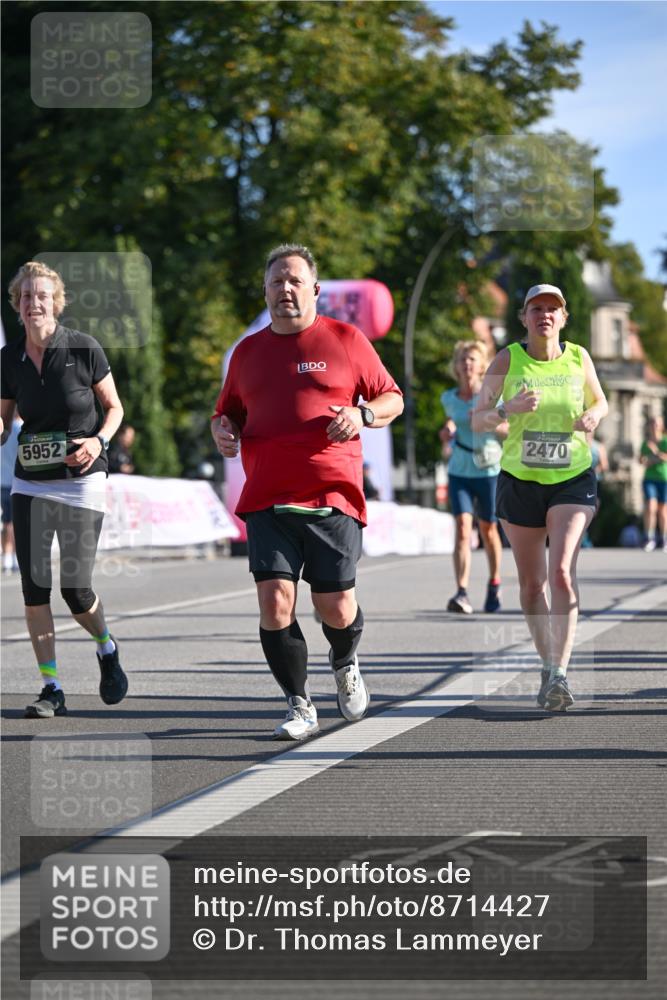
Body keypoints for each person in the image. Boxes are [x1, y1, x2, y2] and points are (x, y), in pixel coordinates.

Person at [211, 244, 403, 740]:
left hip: (332, 496)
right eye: (276, 282)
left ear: (315, 290)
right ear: (266, 291)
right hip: (268, 497)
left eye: (294, 280)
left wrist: (361, 414)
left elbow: (392, 398)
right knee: (275, 603)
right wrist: (223, 430)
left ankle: (345, 660)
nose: (285, 289)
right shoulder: (248, 353)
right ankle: (299, 704)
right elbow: (226, 411)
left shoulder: (345, 339)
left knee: (335, 606)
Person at [0, 261, 128, 718]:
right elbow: (3, 420)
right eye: (25, 297)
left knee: (76, 588)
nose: (34, 303)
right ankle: (50, 686)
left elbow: (113, 407)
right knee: (34, 589)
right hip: (31, 482)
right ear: (17, 305)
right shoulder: (9, 358)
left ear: (56, 301)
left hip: (82, 481)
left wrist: (99, 441)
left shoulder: (83, 347)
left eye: (41, 295)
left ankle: (106, 647)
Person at [472, 283, 608, 712]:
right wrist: (506, 411)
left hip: (572, 477)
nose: (545, 315)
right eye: (537, 309)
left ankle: (561, 671)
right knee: (532, 585)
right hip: (521, 480)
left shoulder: (578, 357)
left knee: (562, 573)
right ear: (524, 317)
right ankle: (547, 665)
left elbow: (601, 400)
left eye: (553, 309)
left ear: (563, 318)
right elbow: (477, 419)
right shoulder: (507, 359)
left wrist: (594, 414)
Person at [439, 340, 507, 614]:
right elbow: (450, 424)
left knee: (489, 530)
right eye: (462, 360)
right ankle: (462, 591)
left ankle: (494, 583)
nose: (467, 364)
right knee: (463, 530)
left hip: (489, 469)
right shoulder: (449, 398)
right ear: (456, 366)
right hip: (459, 470)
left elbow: (507, 429)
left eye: (472, 360)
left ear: (482, 366)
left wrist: (485, 419)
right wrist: (447, 431)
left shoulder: (491, 396)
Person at [640, 415, 667, 552]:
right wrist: (647, 460)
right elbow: (641, 460)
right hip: (649, 478)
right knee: (650, 507)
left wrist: (656, 453)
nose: (654, 426)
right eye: (652, 424)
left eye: (657, 424)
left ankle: (664, 539)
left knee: (662, 511)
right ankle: (649, 538)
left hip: (663, 479)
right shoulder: (646, 443)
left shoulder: (665, 441)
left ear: (661, 426)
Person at [1, 415, 21, 573]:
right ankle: (14, 558)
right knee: (15, 523)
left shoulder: (3, 428)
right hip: (16, 480)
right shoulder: (19, 429)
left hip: (2, 481)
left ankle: (7, 558)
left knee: (7, 521)